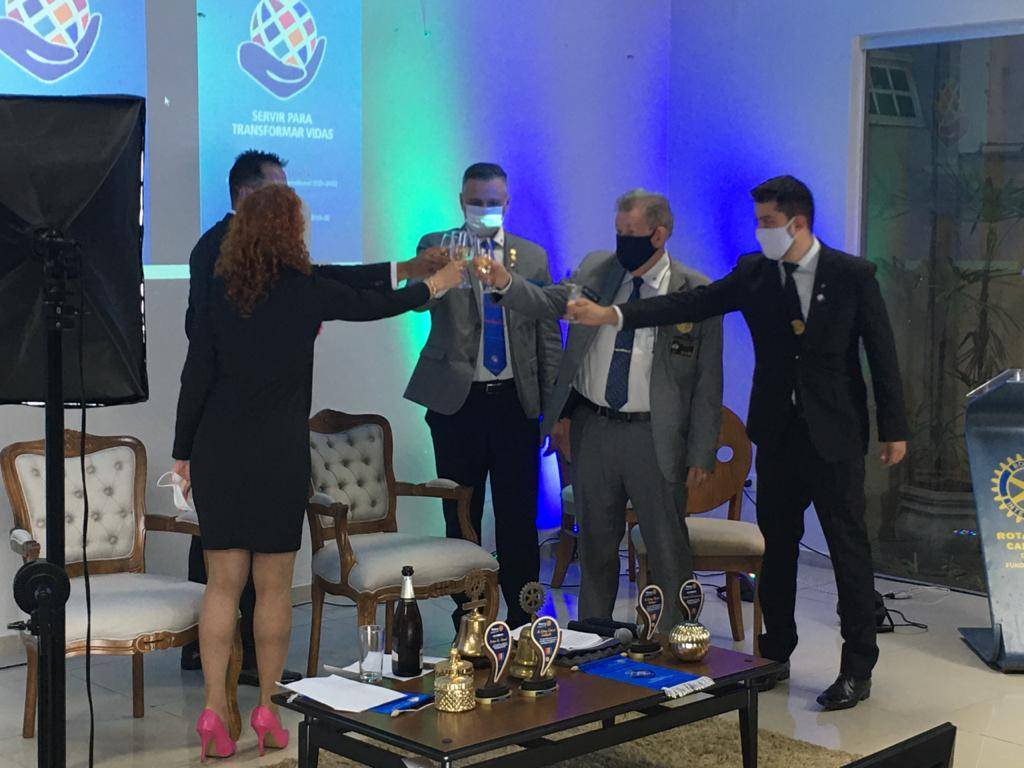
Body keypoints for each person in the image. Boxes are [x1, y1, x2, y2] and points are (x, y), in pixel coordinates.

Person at [567, 176, 908, 711]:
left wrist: (895, 429)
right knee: (780, 548)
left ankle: (857, 666)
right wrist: (615, 314)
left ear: (797, 223)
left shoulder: (852, 275)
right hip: (778, 435)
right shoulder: (754, 272)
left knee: (848, 550)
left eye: (767, 222)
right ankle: (775, 654)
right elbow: (694, 302)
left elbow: (881, 354)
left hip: (835, 436)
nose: (759, 231)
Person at [172, 183, 464, 760]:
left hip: (216, 453)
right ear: (290, 233)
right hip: (277, 456)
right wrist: (432, 286)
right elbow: (369, 305)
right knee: (274, 588)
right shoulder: (304, 291)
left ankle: (212, 710)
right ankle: (267, 707)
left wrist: (183, 454)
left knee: (222, 586)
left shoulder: (217, 292)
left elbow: (194, 375)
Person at [477, 189, 723, 628]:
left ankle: (674, 638)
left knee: (667, 546)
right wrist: (506, 283)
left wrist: (702, 453)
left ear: (659, 235)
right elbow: (550, 301)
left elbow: (708, 381)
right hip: (595, 428)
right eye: (618, 231)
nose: (622, 241)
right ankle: (593, 635)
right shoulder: (598, 270)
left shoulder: (694, 291)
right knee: (595, 543)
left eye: (632, 232)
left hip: (655, 435)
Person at [405, 162, 563, 630]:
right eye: (476, 202)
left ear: (507, 203)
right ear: (461, 201)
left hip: (515, 402)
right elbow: (416, 300)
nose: (485, 210)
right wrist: (441, 273)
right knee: (461, 516)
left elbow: (547, 334)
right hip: (458, 404)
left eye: (493, 203)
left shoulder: (530, 256)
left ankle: (523, 620)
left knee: (518, 517)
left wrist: (554, 409)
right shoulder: (436, 245)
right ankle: (469, 623)